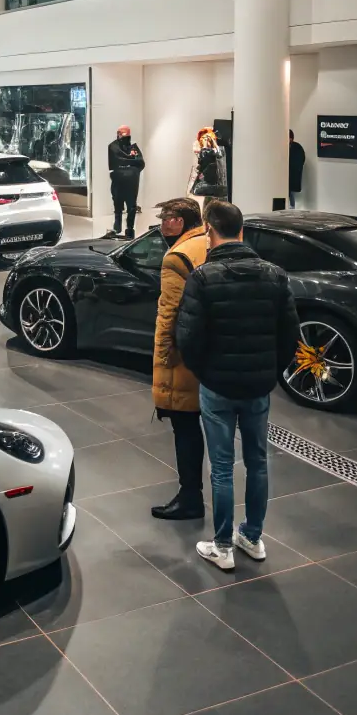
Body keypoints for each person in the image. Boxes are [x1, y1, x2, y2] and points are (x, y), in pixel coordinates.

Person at [176, 200, 300, 571]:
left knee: (222, 467)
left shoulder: (202, 277)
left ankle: (222, 545)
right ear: (241, 231)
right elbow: (290, 334)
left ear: (211, 232)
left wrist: (206, 372)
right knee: (258, 462)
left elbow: (188, 337)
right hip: (258, 387)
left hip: (217, 386)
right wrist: (270, 371)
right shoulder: (275, 275)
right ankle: (253, 536)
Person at [151, 198, 209, 521]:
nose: (162, 223)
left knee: (184, 427)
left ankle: (190, 496)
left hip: (182, 360)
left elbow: (168, 315)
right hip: (208, 352)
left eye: (168, 218)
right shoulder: (208, 244)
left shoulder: (177, 257)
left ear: (182, 221)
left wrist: (162, 358)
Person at [107, 125, 144, 238]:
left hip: (132, 181)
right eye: (122, 134)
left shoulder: (133, 147)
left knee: (131, 206)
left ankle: (130, 228)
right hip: (119, 180)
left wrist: (129, 162)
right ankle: (117, 227)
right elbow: (116, 161)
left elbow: (141, 162)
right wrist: (131, 160)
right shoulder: (113, 146)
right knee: (117, 203)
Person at [289, 130, 306, 209]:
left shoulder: (297, 147)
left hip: (292, 175)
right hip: (286, 176)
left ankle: (292, 208)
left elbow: (300, 160)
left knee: (291, 193)